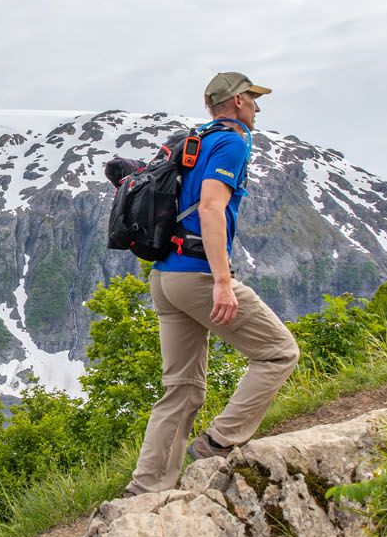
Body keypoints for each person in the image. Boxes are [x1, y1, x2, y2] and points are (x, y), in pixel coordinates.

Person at [122, 72, 300, 496]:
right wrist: (222, 281)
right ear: (237, 101)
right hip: (197, 274)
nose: (258, 107)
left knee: (180, 389)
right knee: (278, 353)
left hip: (164, 277)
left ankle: (145, 489)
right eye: (254, 99)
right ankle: (220, 441)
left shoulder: (193, 139)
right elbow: (211, 207)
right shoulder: (232, 142)